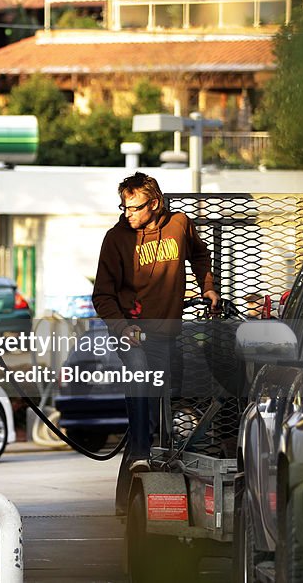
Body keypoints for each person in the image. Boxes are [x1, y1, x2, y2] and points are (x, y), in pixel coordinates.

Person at [91, 172, 218, 514]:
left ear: (155, 203)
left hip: (164, 332)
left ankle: (130, 484)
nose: (127, 213)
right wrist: (120, 328)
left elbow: (200, 254)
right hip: (130, 329)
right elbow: (101, 295)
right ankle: (143, 455)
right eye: (124, 206)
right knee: (139, 372)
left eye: (134, 207)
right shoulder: (116, 239)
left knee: (156, 406)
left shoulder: (179, 225)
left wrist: (207, 286)